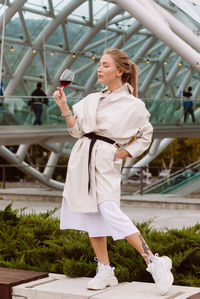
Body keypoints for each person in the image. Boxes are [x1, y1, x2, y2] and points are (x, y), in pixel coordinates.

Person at [53, 49, 174, 296]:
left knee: (109, 209)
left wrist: (125, 152)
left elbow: (145, 134)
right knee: (91, 214)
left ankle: (154, 262)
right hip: (82, 156)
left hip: (105, 159)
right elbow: (77, 132)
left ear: (120, 71)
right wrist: (64, 107)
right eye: (99, 64)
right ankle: (106, 270)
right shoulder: (90, 99)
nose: (99, 69)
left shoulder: (134, 105)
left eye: (105, 65)